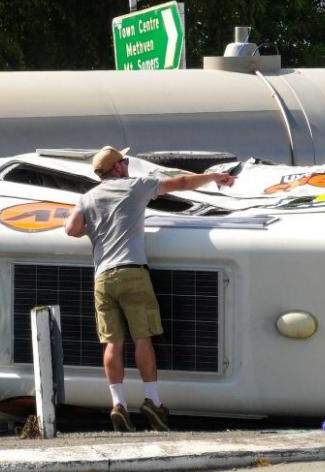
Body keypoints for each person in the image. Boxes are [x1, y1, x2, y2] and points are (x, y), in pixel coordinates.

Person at [64, 146, 235, 432]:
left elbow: (71, 229)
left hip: (102, 278)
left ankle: (118, 404)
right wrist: (215, 176)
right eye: (125, 161)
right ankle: (152, 401)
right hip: (132, 271)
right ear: (118, 167)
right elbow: (179, 183)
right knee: (143, 340)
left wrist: (93, 229)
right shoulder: (135, 186)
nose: (128, 165)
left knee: (112, 343)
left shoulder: (87, 198)